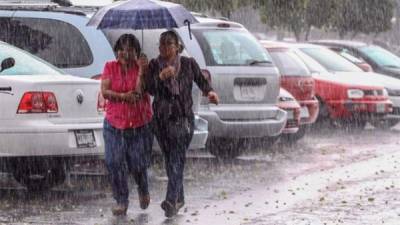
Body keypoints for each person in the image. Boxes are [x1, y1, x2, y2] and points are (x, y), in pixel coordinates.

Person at [143, 31, 219, 217]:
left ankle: (170, 200)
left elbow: (202, 81)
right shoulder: (154, 65)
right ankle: (180, 198)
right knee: (170, 161)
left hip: (182, 118)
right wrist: (160, 77)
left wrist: (210, 92)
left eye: (169, 44)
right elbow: (149, 89)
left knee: (176, 157)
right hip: (161, 120)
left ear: (177, 46)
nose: (165, 48)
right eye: (162, 44)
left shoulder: (188, 64)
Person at [101, 34, 153, 216]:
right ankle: (121, 200)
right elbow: (105, 92)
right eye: (122, 48)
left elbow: (139, 92)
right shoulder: (110, 67)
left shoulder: (143, 69)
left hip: (139, 123)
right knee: (114, 161)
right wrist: (123, 97)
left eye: (130, 49)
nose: (125, 53)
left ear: (136, 52)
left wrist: (140, 72)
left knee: (137, 163)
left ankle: (143, 188)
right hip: (114, 123)